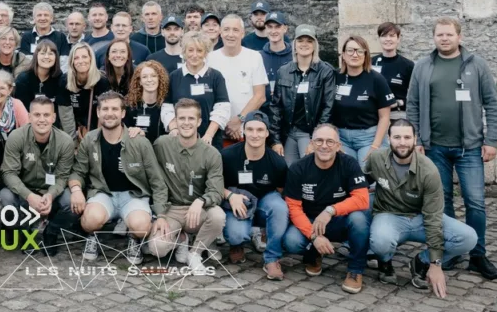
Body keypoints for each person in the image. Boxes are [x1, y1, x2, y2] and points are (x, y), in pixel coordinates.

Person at [406, 16, 497, 280]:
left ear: (459, 37)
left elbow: (493, 105)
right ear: (434, 37)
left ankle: (478, 255)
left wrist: (491, 141)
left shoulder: (476, 64)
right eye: (440, 35)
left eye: (449, 34)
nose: (444, 39)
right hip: (434, 147)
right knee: (442, 201)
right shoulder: (423, 66)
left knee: (476, 203)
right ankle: (449, 251)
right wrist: (416, 141)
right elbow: (412, 105)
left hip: (469, 148)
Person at [366, 120, 477, 296]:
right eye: (397, 137)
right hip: (389, 214)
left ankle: (421, 262)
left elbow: (433, 217)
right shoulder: (376, 158)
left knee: (468, 237)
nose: (402, 142)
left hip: (421, 218)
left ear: (415, 139)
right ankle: (385, 263)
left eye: (407, 137)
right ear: (388, 139)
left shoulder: (429, 171)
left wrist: (435, 263)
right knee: (380, 241)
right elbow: (360, 182)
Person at [68, 92, 168, 265]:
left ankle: (134, 238)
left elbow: (157, 181)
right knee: (90, 221)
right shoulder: (90, 140)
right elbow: (78, 171)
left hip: (133, 196)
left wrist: (160, 214)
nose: (109, 113)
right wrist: (76, 190)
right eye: (105, 108)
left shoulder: (139, 142)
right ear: (98, 112)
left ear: (122, 113)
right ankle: (93, 236)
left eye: (115, 108)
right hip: (103, 194)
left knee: (142, 227)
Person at [282, 124, 370, 294]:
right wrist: (314, 236)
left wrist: (330, 210)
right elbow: (293, 207)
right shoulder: (298, 168)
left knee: (359, 219)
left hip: (339, 220)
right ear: (312, 144)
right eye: (319, 141)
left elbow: (362, 199)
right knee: (292, 241)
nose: (324, 145)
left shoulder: (349, 163)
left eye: (330, 142)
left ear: (338, 146)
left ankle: (355, 270)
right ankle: (315, 254)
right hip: (310, 221)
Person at [146, 99, 225, 273]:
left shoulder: (211, 154)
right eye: (182, 118)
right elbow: (153, 178)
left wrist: (201, 201)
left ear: (199, 121)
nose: (186, 123)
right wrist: (159, 213)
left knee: (218, 216)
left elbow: (216, 191)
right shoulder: (162, 144)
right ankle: (181, 238)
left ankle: (195, 253)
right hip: (171, 209)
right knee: (157, 249)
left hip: (197, 210)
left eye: (191, 118)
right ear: (176, 120)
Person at [0, 95, 78, 254]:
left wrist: (50, 195)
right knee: (4, 198)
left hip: (51, 192)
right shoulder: (16, 137)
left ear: (54, 117)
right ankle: (25, 233)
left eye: (46, 115)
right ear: (29, 117)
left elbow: (63, 177)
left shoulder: (65, 142)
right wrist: (29, 196)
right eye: (37, 115)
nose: (42, 119)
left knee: (71, 202)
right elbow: (8, 173)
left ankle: (52, 231)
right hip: (23, 191)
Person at [220, 112, 288, 280]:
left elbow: (281, 190)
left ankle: (272, 258)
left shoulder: (277, 162)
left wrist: (269, 218)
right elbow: (214, 185)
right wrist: (229, 195)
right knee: (236, 234)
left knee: (279, 207)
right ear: (243, 131)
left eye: (260, 130)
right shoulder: (227, 156)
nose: (255, 134)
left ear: (267, 133)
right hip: (238, 201)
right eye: (250, 129)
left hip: (265, 198)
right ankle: (237, 245)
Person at [268, 24, 336, 165]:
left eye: (309, 41)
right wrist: (275, 140)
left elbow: (328, 107)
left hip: (310, 132)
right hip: (289, 133)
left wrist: (316, 139)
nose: (304, 44)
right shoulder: (284, 71)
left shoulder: (325, 71)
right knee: (288, 170)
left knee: (308, 168)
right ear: (294, 44)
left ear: (315, 45)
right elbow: (276, 107)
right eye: (300, 40)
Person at [330, 36, 394, 164]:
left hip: (368, 138)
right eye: (350, 50)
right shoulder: (334, 77)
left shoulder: (377, 79)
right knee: (346, 172)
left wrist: (375, 146)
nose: (355, 55)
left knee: (367, 171)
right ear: (343, 54)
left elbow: (385, 117)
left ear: (366, 55)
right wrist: (334, 141)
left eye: (359, 51)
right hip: (341, 137)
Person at [207, 15, 268, 144]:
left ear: (242, 33)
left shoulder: (254, 57)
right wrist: (222, 123)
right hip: (217, 130)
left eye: (235, 30)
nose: (231, 34)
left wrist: (238, 120)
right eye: (227, 29)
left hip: (247, 131)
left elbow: (260, 96)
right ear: (220, 32)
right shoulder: (210, 59)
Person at [165, 31, 230, 150]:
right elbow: (167, 107)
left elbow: (222, 108)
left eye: (199, 50)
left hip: (209, 141)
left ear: (205, 52)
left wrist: (208, 135)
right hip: (180, 141)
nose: (195, 55)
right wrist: (174, 129)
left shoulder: (216, 76)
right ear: (184, 52)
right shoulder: (174, 77)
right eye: (190, 50)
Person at [59, 41, 110, 139]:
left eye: (84, 57)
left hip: (95, 129)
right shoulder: (64, 80)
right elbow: (66, 115)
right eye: (76, 58)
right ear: (72, 61)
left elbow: (104, 112)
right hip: (73, 129)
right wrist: (72, 141)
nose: (81, 61)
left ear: (91, 58)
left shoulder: (102, 81)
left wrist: (97, 138)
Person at [373, 22, 414, 119]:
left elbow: (414, 95)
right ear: (379, 39)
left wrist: (398, 102)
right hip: (373, 115)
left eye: (392, 36)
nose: (388, 39)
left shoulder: (408, 65)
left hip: (397, 115)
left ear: (398, 39)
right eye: (384, 36)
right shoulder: (370, 63)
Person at [124, 61, 171, 143]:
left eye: (153, 76)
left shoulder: (167, 106)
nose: (149, 80)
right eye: (145, 77)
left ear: (159, 79)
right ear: (140, 82)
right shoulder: (131, 105)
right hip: (139, 151)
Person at [14, 39, 66, 110]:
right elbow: (22, 109)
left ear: (56, 57)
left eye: (51, 53)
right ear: (36, 56)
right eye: (43, 53)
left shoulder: (59, 78)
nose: (46, 57)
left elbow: (59, 108)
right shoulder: (23, 79)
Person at [259, 12, 292, 108]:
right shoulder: (258, 57)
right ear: (265, 29)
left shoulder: (295, 56)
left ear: (285, 28)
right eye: (270, 27)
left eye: (277, 27)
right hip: (264, 110)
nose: (273, 31)